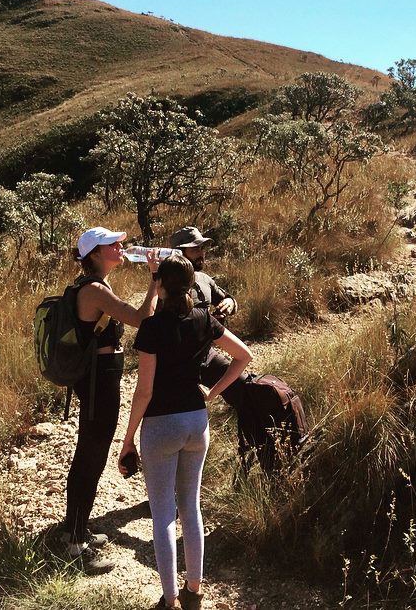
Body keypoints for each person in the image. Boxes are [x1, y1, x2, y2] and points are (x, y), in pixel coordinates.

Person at [118, 254, 252, 610]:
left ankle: (170, 599)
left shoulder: (152, 328)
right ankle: (194, 590)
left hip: (161, 425)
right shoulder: (205, 319)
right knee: (190, 507)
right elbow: (243, 356)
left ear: (160, 285)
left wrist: (128, 440)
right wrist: (213, 392)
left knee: (163, 514)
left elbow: (144, 392)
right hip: (196, 421)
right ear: (192, 285)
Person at [62, 226, 161, 571]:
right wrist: (155, 280)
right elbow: (141, 319)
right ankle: (76, 545)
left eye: (119, 242)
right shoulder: (93, 290)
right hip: (97, 382)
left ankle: (74, 529)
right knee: (91, 456)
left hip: (99, 379)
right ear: (94, 254)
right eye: (111, 244)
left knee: (90, 452)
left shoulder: (95, 284)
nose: (120, 246)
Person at [170, 226, 237, 319]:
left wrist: (230, 302)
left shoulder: (204, 279)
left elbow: (227, 299)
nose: (201, 254)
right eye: (195, 249)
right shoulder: (166, 284)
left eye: (202, 248)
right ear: (179, 253)